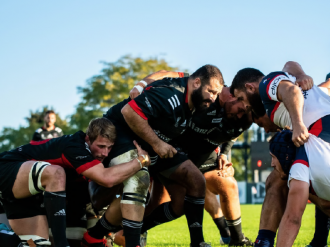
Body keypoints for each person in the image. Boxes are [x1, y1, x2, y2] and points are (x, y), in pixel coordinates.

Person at [83, 65, 224, 247]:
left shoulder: (199, 101)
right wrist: (158, 144)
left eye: (216, 93)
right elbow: (129, 111)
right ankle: (131, 242)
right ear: (197, 82)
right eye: (211, 91)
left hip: (155, 144)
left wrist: (221, 153)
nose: (213, 97)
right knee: (138, 180)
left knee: (195, 181)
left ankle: (197, 243)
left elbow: (169, 73)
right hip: (125, 135)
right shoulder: (170, 95)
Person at [0, 117, 150, 247]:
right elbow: (107, 179)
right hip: (8, 167)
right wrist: (141, 161)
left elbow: (96, 199)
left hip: (29, 194)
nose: (105, 153)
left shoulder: (93, 159)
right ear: (87, 139)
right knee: (56, 173)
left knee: (37, 245)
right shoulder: (74, 146)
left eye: (109, 148)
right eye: (101, 146)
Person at [230, 62, 330, 247]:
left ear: (250, 87)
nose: (244, 105)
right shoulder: (293, 92)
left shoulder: (265, 84)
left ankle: (265, 241)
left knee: (281, 181)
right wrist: (300, 73)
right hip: (320, 140)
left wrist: (298, 124)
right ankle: (266, 241)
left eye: (241, 98)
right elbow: (290, 65)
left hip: (321, 141)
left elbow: (292, 92)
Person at [267, 129, 330, 247]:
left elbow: (292, 219)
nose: (272, 164)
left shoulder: (299, 167)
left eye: (273, 157)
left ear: (284, 155)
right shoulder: (316, 142)